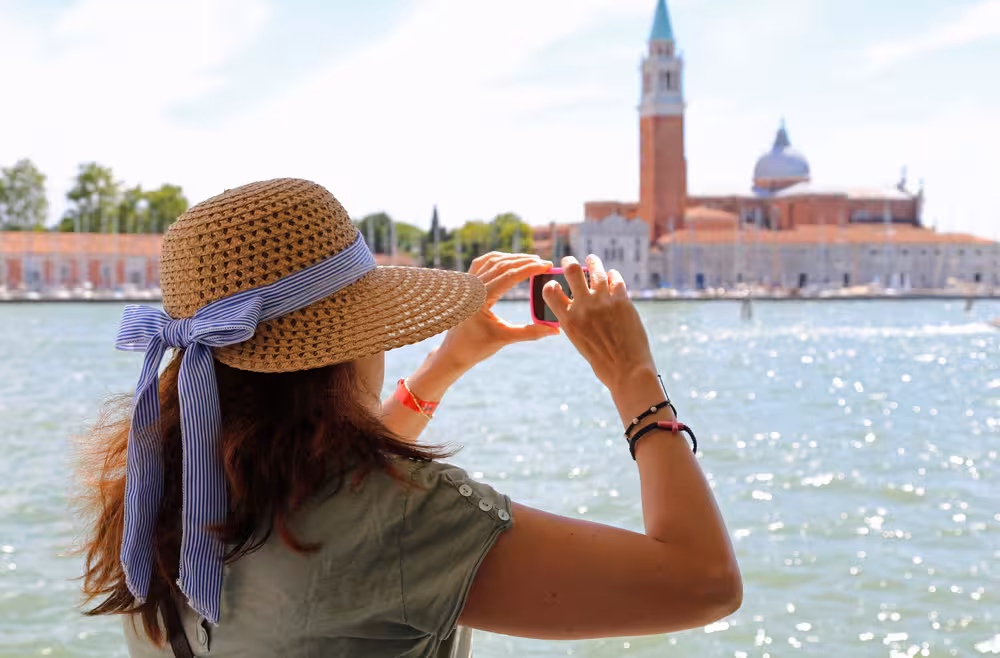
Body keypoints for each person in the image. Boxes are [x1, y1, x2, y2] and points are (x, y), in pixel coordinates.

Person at [76, 178, 741, 657]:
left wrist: (441, 370)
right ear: (338, 351)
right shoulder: (407, 521)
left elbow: (331, 502)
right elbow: (701, 584)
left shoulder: (160, 482)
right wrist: (634, 380)